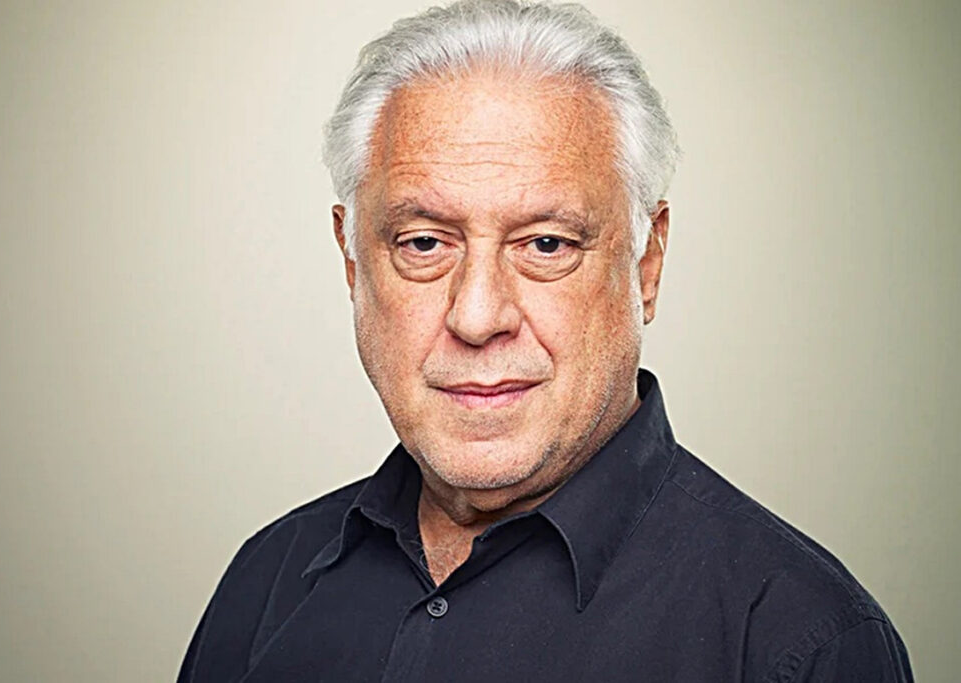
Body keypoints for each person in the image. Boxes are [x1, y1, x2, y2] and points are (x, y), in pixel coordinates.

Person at [178, 1, 913, 680]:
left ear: (647, 264)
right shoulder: (264, 583)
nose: (476, 316)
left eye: (548, 244)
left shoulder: (798, 643)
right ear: (352, 262)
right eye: (424, 242)